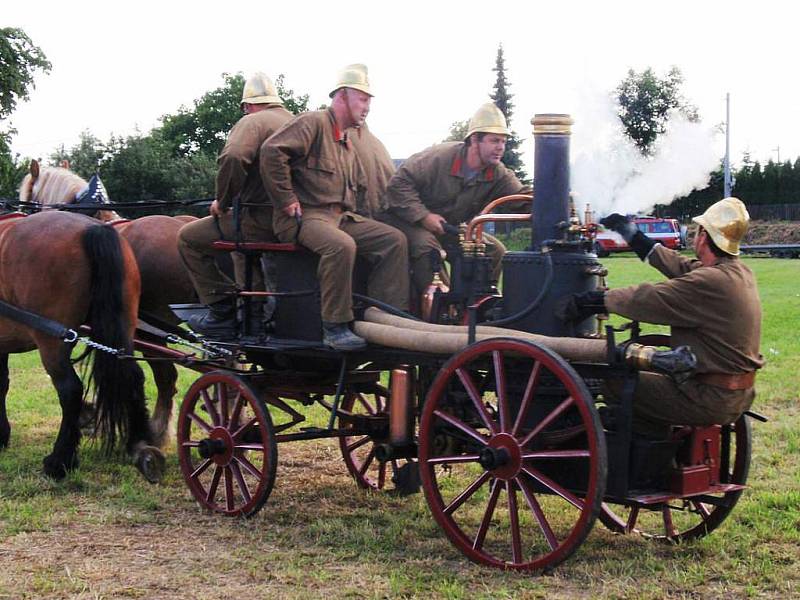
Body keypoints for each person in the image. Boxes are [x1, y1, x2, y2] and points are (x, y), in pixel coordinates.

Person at [558, 197, 764, 439]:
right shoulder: (737, 273)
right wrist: (631, 233)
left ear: (703, 236)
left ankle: (645, 460)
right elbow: (680, 265)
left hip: (706, 396)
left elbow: (646, 298)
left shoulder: (710, 282)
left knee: (615, 382)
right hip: (736, 394)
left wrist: (592, 301)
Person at [261, 64, 410, 351]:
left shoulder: (347, 141)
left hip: (340, 217)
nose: (367, 107)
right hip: (305, 216)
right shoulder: (313, 123)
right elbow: (272, 151)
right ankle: (335, 326)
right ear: (342, 96)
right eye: (363, 99)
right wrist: (286, 199)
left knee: (393, 240)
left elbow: (360, 191)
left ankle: (383, 318)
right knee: (340, 246)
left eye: (369, 101)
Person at [178, 72, 294, 338]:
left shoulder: (253, 121)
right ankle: (255, 309)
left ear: (248, 106)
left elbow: (234, 156)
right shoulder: (296, 122)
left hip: (262, 219)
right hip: (297, 221)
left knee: (188, 238)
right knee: (241, 245)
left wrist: (223, 200)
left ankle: (222, 312)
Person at [380, 102, 528, 296]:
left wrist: (555, 202)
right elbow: (398, 185)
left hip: (449, 228)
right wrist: (424, 216)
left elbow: (522, 198)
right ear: (475, 140)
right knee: (428, 248)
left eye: (503, 142)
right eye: (494, 141)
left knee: (495, 251)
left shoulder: (498, 173)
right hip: (405, 221)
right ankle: (443, 311)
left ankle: (479, 304)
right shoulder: (437, 159)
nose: (500, 148)